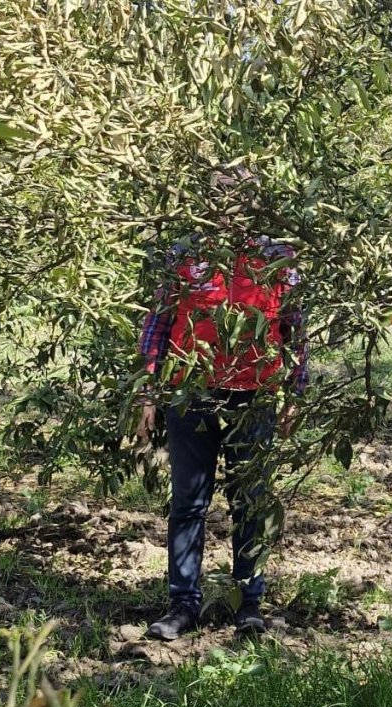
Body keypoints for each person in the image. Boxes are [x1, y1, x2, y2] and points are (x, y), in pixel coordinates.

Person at [136, 165, 307, 640]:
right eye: (220, 202)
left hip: (254, 396)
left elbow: (295, 328)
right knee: (189, 500)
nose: (229, 213)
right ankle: (183, 604)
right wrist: (149, 389)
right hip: (190, 392)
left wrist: (295, 392)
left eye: (238, 202)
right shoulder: (185, 256)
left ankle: (249, 601)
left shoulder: (278, 258)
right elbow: (158, 323)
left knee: (250, 500)